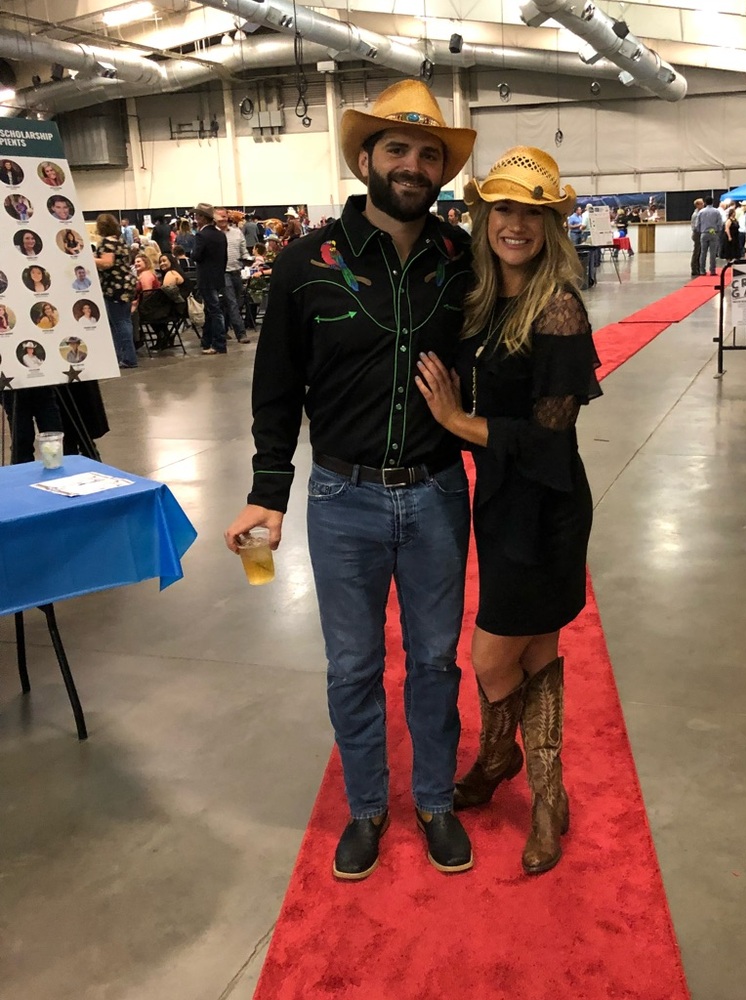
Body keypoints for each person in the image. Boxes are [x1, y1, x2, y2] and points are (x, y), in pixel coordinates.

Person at [224, 79, 478, 882]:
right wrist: (269, 491)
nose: (412, 164)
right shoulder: (307, 265)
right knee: (353, 666)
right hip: (343, 501)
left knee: (436, 659)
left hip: (438, 492)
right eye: (397, 149)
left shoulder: (460, 262)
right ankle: (368, 809)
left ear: (441, 172)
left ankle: (434, 800)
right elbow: (275, 390)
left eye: (428, 153)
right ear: (364, 158)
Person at [414, 145, 600, 876]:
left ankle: (499, 761)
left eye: (533, 211)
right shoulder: (485, 298)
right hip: (498, 500)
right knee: (538, 652)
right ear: (485, 215)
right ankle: (548, 800)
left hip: (544, 505)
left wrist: (460, 425)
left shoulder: (557, 305)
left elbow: (552, 435)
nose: (515, 224)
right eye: (504, 209)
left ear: (552, 224)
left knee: (492, 655)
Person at [94, 212, 139, 368]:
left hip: (114, 287)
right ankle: (121, 355)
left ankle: (128, 358)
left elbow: (107, 263)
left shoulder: (106, 243)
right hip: (127, 284)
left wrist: (89, 258)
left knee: (120, 323)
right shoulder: (121, 241)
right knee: (124, 321)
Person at [190, 202, 228, 355]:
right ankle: (207, 341)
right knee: (212, 310)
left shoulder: (201, 235)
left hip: (206, 278)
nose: (195, 217)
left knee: (214, 311)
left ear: (202, 218)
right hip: (218, 277)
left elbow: (196, 255)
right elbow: (224, 258)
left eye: (197, 215)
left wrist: (192, 253)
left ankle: (219, 343)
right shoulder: (220, 235)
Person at [215, 208, 251, 343]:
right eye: (220, 217)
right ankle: (241, 334)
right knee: (232, 303)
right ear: (214, 219)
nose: (223, 219)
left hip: (237, 271)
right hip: (223, 273)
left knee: (233, 302)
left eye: (224, 216)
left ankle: (222, 329)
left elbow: (243, 251)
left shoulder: (237, 233)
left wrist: (249, 259)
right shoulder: (213, 235)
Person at [696, 196, 724, 276]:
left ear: (705, 202)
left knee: (703, 252)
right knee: (713, 253)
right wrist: (718, 231)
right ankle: (712, 271)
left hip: (704, 233)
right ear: (712, 202)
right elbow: (720, 223)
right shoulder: (716, 212)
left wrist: (700, 231)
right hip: (713, 233)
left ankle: (702, 270)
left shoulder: (701, 212)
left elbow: (697, 224)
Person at [690, 198, 704, 276]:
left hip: (699, 233)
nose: (703, 205)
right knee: (697, 251)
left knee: (700, 252)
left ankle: (698, 268)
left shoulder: (700, 213)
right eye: (701, 204)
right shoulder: (696, 215)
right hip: (697, 234)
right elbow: (695, 226)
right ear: (697, 205)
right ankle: (694, 269)